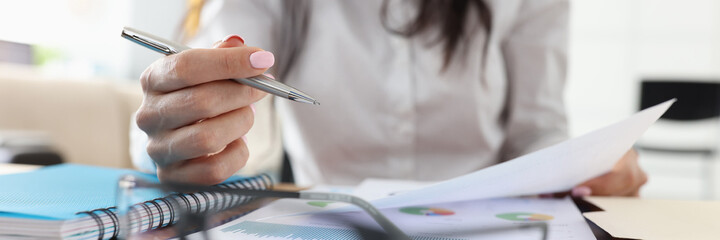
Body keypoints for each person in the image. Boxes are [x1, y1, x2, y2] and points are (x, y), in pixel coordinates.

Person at [131, 0, 647, 197]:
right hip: (328, 222)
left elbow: (538, 132)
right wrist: (181, 123)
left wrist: (585, 165)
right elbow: (208, 75)